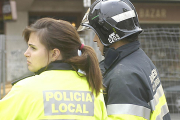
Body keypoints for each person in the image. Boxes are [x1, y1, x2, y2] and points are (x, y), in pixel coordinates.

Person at [78, 0, 171, 120]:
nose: (95, 39)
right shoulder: (139, 59)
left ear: (109, 34)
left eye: (97, 33)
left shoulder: (123, 77)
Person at [0, 18, 107, 120]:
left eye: (33, 48)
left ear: (54, 53)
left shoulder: (25, 89)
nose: (26, 53)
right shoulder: (94, 89)